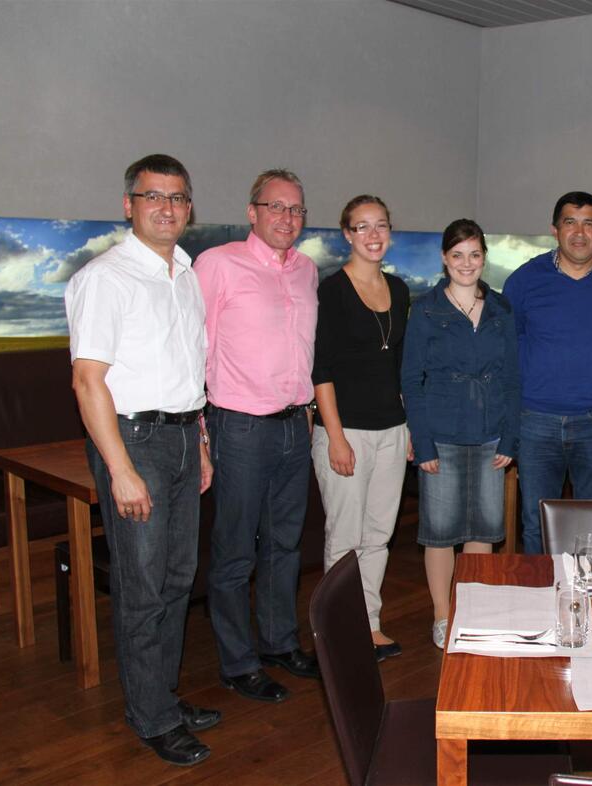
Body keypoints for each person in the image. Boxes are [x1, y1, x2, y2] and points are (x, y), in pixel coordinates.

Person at [66, 154, 220, 766]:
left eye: (178, 197)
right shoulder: (106, 278)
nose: (167, 207)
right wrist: (122, 468)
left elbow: (188, 371)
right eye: (153, 196)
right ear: (128, 205)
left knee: (178, 579)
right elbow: (86, 382)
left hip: (183, 436)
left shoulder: (183, 273)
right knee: (143, 584)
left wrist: (201, 440)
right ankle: (150, 716)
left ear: (189, 207)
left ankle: (161, 695)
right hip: (135, 443)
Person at [195, 169, 320, 703]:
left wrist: (309, 408)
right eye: (276, 207)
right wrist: (201, 431)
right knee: (234, 551)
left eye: (296, 210)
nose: (286, 219)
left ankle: (277, 641)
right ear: (253, 212)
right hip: (239, 426)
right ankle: (237, 661)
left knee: (285, 544)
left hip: (295, 424)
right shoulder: (217, 264)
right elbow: (194, 348)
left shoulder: (308, 270)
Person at [402, 219, 520, 648]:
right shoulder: (427, 310)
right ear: (444, 259)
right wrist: (423, 441)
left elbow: (513, 379)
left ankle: (472, 611)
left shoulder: (502, 310)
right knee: (439, 530)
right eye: (457, 255)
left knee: (483, 529)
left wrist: (511, 438)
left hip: (491, 435)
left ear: (484, 258)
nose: (466, 264)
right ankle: (441, 614)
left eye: (474, 254)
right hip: (442, 435)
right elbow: (411, 379)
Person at [502, 192, 592, 554]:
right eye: (569, 222)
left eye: (588, 223)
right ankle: (541, 600)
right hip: (535, 420)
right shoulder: (525, 279)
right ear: (554, 229)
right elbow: (507, 338)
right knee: (537, 523)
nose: (579, 232)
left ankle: (588, 602)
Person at [311, 195, 410, 662]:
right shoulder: (331, 290)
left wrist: (408, 428)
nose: (373, 236)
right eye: (362, 227)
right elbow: (322, 369)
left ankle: (368, 624)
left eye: (381, 226)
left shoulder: (400, 288)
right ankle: (339, 631)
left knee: (378, 536)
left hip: (393, 431)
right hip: (344, 432)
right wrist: (334, 436)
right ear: (347, 234)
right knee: (345, 537)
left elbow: (402, 367)